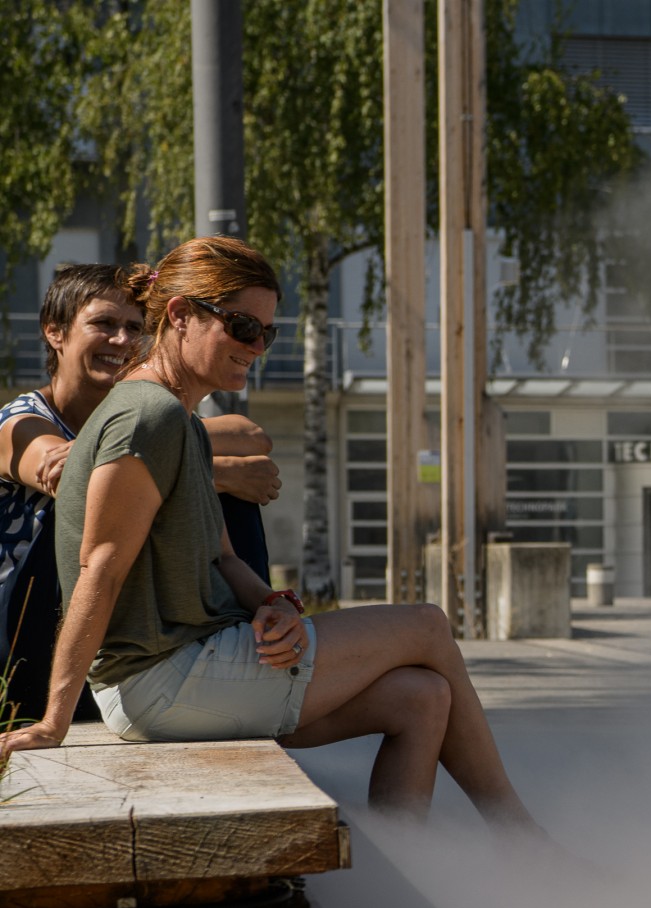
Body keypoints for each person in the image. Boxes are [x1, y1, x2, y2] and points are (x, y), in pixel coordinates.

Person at [0, 237, 541, 835]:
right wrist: (53, 720)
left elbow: (222, 554)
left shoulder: (177, 419)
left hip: (185, 671)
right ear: (180, 315)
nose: (255, 347)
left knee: (421, 697)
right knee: (428, 626)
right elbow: (98, 566)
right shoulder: (146, 416)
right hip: (162, 679)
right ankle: (520, 834)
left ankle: (409, 869)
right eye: (239, 326)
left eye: (266, 332)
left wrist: (274, 605)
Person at [0, 263, 281, 725]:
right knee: (82, 513)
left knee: (222, 504)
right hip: (28, 625)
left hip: (110, 619)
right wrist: (214, 473)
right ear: (55, 333)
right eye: (103, 324)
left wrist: (173, 461)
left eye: (134, 328)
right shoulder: (22, 421)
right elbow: (59, 473)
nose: (122, 341)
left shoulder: (151, 413)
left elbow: (251, 434)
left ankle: (243, 639)